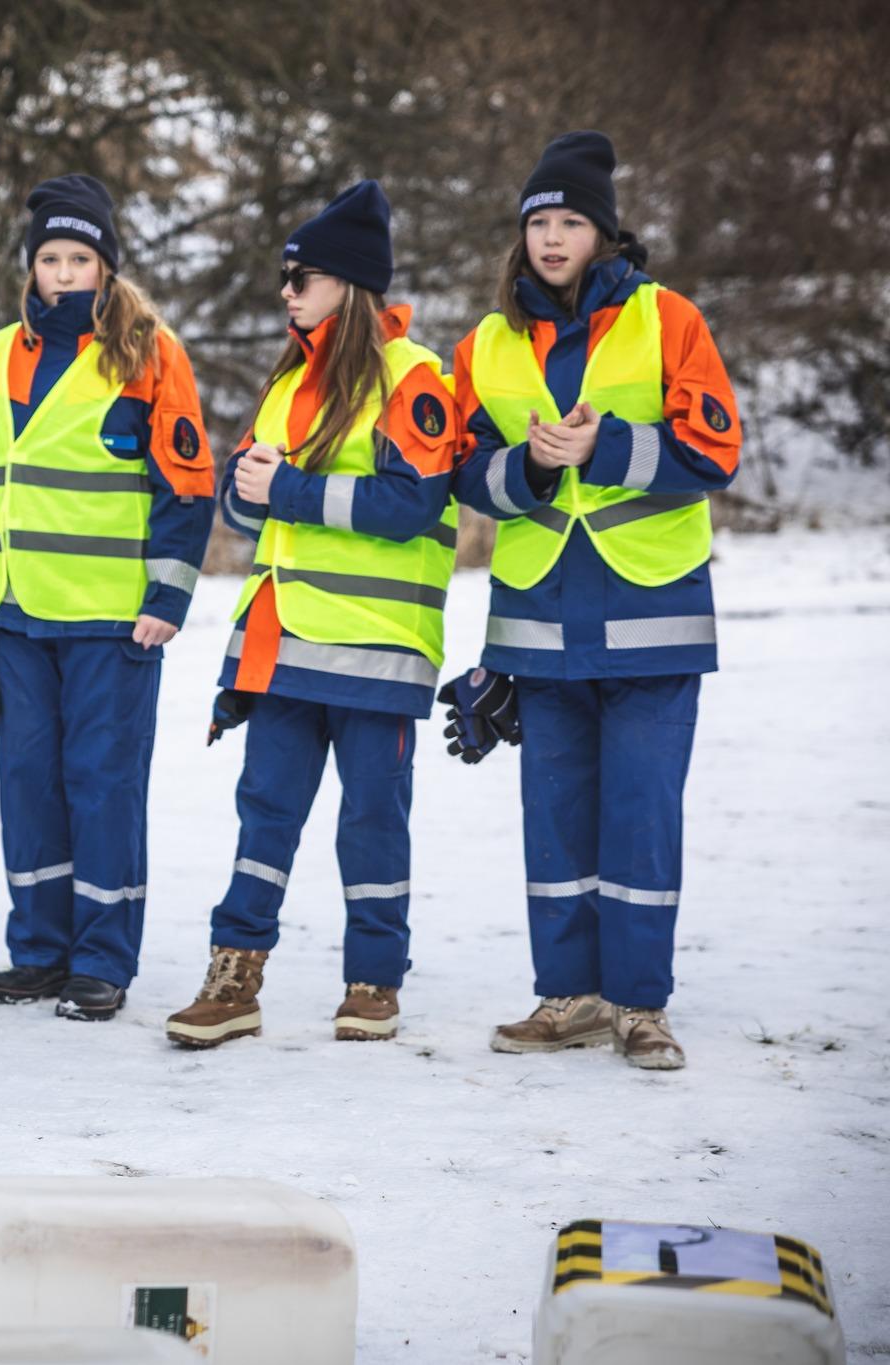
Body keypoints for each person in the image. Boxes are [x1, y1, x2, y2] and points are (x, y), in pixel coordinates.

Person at [451, 132, 741, 1071]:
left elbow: (715, 453)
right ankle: (568, 995)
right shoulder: (486, 344)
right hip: (539, 624)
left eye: (571, 220)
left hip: (654, 618)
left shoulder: (670, 321)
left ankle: (640, 1004)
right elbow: (460, 478)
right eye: (539, 221)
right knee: (557, 820)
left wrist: (606, 448)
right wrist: (531, 466)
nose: (552, 236)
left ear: (603, 233)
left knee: (640, 814)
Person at [162, 182, 463, 1049]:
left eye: (304, 277)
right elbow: (248, 505)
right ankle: (234, 978)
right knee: (265, 814)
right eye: (285, 276)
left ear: (352, 285)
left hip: (380, 650)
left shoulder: (414, 376)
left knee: (372, 821)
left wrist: (284, 487)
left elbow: (413, 502)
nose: (287, 291)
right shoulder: (290, 377)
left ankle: (373, 981)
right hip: (284, 644)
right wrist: (245, 488)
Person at [0, 173, 214, 1022]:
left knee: (102, 783)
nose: (62, 272)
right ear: (31, 268)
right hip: (13, 614)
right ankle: (39, 951)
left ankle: (102, 957)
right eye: (49, 257)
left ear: (106, 268)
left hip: (111, 617)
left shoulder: (150, 353)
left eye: (78, 258)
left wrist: (167, 595)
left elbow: (186, 487)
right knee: (28, 784)